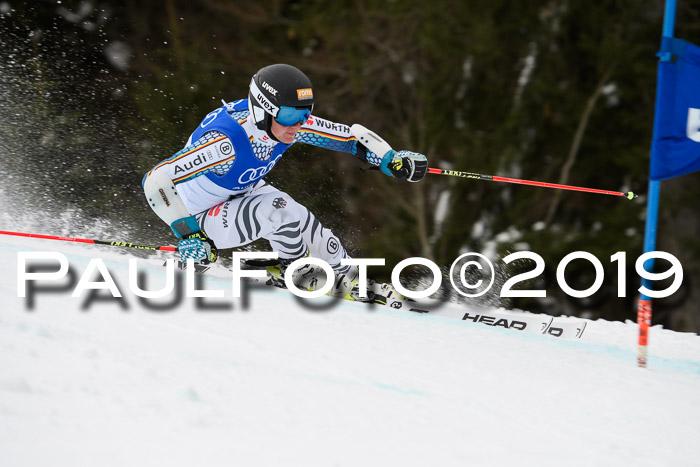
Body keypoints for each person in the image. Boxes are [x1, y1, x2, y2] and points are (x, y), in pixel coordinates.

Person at [142, 63, 427, 300]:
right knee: (280, 210)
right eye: (291, 115)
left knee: (301, 218)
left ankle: (349, 277)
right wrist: (189, 234)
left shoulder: (283, 123)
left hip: (240, 193)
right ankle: (300, 275)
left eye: (306, 113)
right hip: (199, 216)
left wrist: (390, 157)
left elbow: (350, 138)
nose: (299, 125)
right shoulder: (223, 143)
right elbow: (156, 181)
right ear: (263, 110)